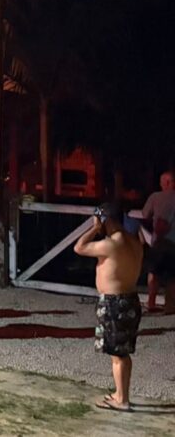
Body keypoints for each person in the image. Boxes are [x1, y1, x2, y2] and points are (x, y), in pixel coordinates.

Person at [74, 202, 144, 412]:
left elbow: (79, 247)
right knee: (123, 352)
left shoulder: (111, 244)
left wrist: (94, 228)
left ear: (107, 220)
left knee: (117, 354)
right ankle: (121, 392)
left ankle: (121, 399)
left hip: (115, 302)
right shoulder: (134, 241)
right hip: (131, 299)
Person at [140, 172, 175, 313]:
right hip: (174, 242)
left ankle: (151, 302)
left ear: (165, 183)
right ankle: (170, 306)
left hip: (159, 241)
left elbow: (144, 214)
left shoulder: (155, 197)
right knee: (172, 275)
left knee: (153, 272)